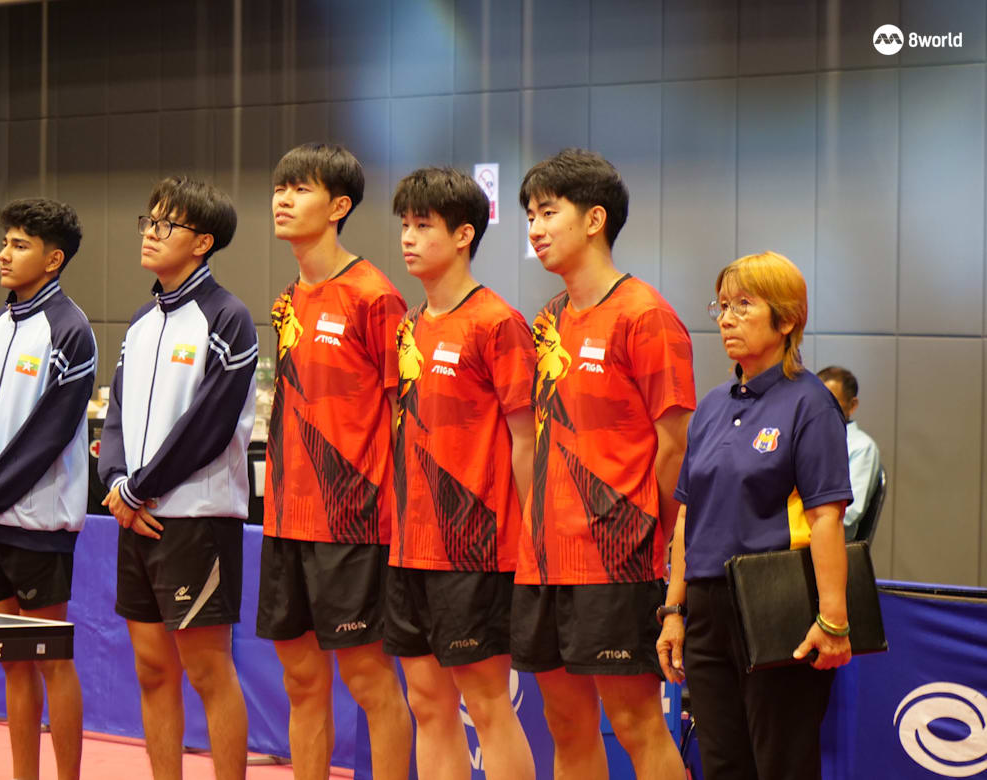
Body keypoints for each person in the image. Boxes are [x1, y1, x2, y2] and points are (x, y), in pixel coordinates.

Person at [516, 148, 692, 780]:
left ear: (594, 219)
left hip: (617, 556)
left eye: (548, 212)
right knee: (565, 724)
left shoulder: (646, 315)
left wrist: (649, 535)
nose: (534, 229)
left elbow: (675, 448)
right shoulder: (547, 321)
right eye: (529, 216)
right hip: (542, 559)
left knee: (637, 724)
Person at [657, 252, 853, 780]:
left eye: (743, 305)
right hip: (706, 609)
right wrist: (674, 610)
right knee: (723, 765)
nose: (726, 318)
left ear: (786, 319)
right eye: (722, 306)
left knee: (782, 765)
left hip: (777, 604)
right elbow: (687, 516)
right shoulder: (712, 406)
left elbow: (827, 518)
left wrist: (832, 620)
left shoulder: (810, 404)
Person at [258, 142, 413, 779]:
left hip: (352, 521)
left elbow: (404, 415)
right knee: (300, 678)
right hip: (285, 517)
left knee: (369, 678)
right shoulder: (288, 300)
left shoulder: (374, 296)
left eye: (301, 189)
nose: (283, 199)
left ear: (338, 206)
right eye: (280, 187)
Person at [98, 176, 255, 780]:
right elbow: (116, 413)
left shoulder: (228, 317)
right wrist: (117, 482)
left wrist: (139, 489)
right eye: (149, 220)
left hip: (196, 518)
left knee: (209, 671)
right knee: (151, 669)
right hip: (134, 514)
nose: (151, 233)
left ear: (203, 241)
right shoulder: (141, 321)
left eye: (167, 224)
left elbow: (208, 424)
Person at [387, 168, 536, 780]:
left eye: (424, 225)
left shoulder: (498, 323)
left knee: (487, 704)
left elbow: (528, 441)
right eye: (404, 224)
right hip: (409, 547)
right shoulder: (408, 326)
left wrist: (532, 542)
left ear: (464, 235)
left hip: (476, 548)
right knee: (427, 703)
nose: (408, 237)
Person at [0, 198, 95, 780]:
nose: (4, 254)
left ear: (53, 259)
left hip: (38, 523)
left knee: (50, 658)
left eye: (20, 245)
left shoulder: (71, 331)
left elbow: (47, 436)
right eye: (5, 242)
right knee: (13, 660)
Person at [817, 366, 883, 540]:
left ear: (852, 405)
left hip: (830, 540)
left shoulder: (862, 447)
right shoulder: (808, 440)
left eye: (832, 403)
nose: (821, 410)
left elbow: (850, 512)